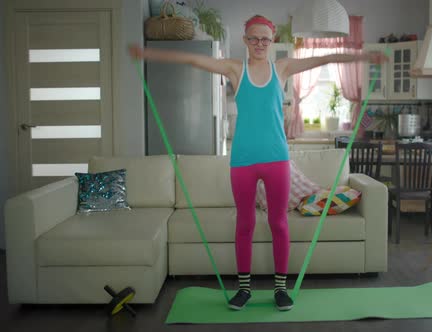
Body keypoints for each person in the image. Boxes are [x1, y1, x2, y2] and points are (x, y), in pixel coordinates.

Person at [129, 14, 387, 311]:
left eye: (265, 38)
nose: (259, 44)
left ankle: (280, 289)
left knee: (279, 223)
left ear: (272, 40)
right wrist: (148, 53)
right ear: (245, 40)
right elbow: (193, 62)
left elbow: (325, 58)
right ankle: (244, 289)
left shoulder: (283, 68)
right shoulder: (236, 70)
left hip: (277, 160)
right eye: (254, 38)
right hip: (242, 162)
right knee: (245, 225)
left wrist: (366, 55)